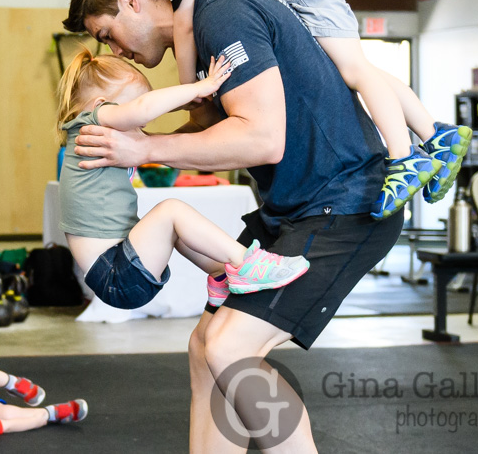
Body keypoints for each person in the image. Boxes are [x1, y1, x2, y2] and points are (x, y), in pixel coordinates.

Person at [65, 0, 406, 453]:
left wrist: (144, 148)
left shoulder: (220, 15)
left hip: (343, 204)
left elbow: (262, 141)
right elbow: (211, 131)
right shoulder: (198, 36)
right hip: (290, 211)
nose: (117, 51)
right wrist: (133, 149)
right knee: (204, 349)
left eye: (107, 33)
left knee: (229, 348)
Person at [85, 0, 472, 219]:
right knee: (350, 67)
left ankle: (403, 157)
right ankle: (436, 134)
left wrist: (190, 90)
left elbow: (183, 23)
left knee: (355, 71)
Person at [57, 47, 310, 311]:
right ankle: (248, 263)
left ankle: (221, 276)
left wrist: (186, 104)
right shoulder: (90, 124)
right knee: (171, 211)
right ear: (101, 106)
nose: (140, 128)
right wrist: (201, 87)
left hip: (119, 267)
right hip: (115, 273)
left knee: (177, 229)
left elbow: (145, 121)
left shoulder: (99, 141)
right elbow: (143, 109)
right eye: (130, 110)